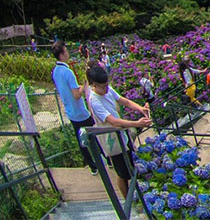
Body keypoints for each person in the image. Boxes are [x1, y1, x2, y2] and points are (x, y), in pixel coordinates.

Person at [86, 64, 151, 199]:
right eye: (103, 87)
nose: (106, 89)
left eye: (107, 85)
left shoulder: (108, 90)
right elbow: (113, 121)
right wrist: (137, 123)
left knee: (129, 166)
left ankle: (133, 195)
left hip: (121, 135)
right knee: (122, 173)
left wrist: (140, 109)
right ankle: (128, 199)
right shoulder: (94, 100)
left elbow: (125, 101)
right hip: (112, 140)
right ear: (94, 85)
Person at [51, 41, 99, 176]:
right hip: (80, 112)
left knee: (81, 139)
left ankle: (92, 166)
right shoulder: (68, 72)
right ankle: (107, 160)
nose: (67, 54)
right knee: (95, 133)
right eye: (65, 51)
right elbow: (77, 95)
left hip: (70, 112)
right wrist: (83, 86)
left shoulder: (55, 71)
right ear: (61, 55)